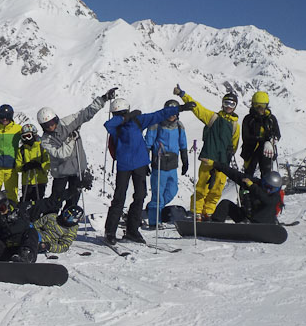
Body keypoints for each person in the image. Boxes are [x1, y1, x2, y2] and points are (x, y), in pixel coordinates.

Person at [103, 98, 195, 244]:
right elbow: (108, 124)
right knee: (120, 198)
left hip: (139, 163)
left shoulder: (138, 120)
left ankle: (132, 230)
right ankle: (110, 231)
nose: (118, 116)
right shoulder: (117, 125)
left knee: (140, 196)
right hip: (125, 165)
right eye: (118, 114)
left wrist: (180, 108)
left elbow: (159, 114)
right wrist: (126, 117)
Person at [38, 88, 116, 213]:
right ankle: (49, 224)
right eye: (46, 125)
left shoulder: (68, 122)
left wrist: (103, 99)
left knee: (72, 202)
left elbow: (85, 114)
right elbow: (62, 154)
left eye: (52, 122)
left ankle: (67, 226)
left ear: (56, 119)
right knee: (55, 201)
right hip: (61, 172)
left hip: (77, 169)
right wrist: (71, 139)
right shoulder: (46, 140)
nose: (51, 127)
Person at [175, 85, 241, 221]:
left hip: (223, 161)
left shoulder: (236, 125)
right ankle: (196, 211)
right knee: (202, 187)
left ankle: (208, 211)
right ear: (222, 104)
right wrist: (182, 94)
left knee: (217, 188)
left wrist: (230, 153)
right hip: (208, 158)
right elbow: (197, 108)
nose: (228, 106)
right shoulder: (213, 117)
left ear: (235, 106)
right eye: (226, 103)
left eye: (231, 104)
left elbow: (234, 143)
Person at [144, 100, 189, 228]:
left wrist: (185, 161)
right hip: (159, 164)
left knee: (172, 190)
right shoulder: (156, 125)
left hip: (172, 165)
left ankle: (153, 208)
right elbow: (148, 143)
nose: (172, 116)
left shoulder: (179, 126)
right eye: (170, 113)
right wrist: (146, 162)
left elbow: (183, 144)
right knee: (158, 193)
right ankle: (154, 221)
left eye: (174, 113)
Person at [201, 159, 283, 224]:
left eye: (272, 189)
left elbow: (266, 200)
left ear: (277, 189)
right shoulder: (257, 183)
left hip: (263, 222)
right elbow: (235, 175)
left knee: (268, 206)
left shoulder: (275, 196)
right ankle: (215, 225)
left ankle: (255, 225)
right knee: (225, 204)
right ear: (263, 182)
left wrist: (252, 186)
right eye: (267, 187)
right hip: (247, 219)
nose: (268, 190)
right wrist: (216, 164)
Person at [240, 91, 281, 178]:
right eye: (257, 105)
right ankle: (246, 190)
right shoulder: (248, 119)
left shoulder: (271, 119)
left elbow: (277, 134)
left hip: (266, 152)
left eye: (262, 105)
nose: (260, 109)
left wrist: (271, 141)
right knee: (248, 175)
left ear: (267, 105)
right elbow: (246, 137)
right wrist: (263, 141)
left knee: (266, 174)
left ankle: (264, 191)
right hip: (250, 151)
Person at [15, 123, 50, 203]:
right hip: (27, 182)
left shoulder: (41, 147)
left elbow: (48, 162)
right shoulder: (22, 150)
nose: (27, 139)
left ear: (34, 135)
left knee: (38, 202)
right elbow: (17, 166)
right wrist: (24, 167)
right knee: (26, 202)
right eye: (24, 137)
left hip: (40, 180)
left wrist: (40, 165)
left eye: (28, 136)